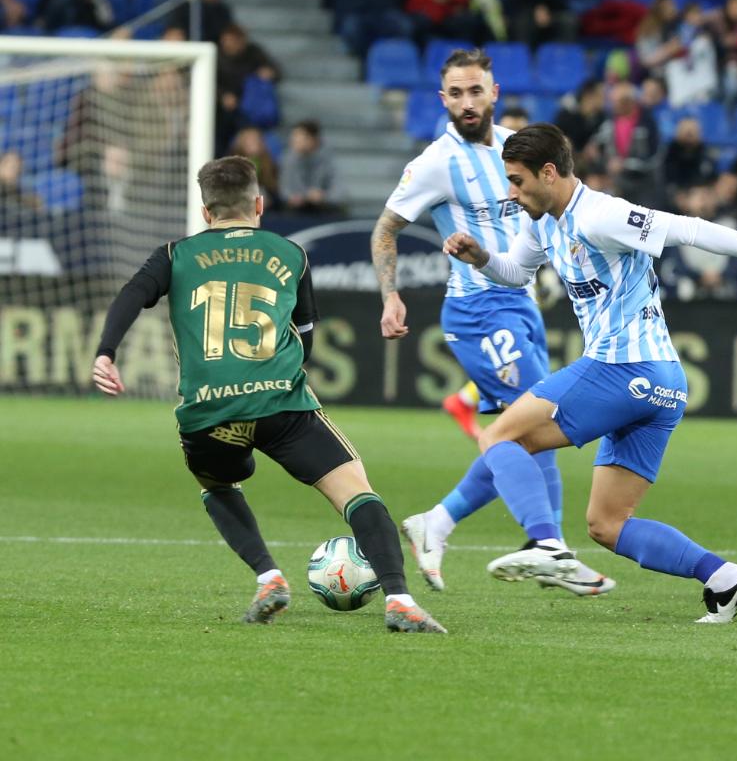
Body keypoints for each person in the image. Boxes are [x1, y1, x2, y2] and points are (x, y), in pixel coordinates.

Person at [440, 125, 737, 622]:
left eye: (517, 180)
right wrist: (481, 259)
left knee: (499, 436)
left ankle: (546, 544)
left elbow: (689, 228)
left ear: (548, 173)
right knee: (607, 524)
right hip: (663, 384)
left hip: (622, 367)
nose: (511, 193)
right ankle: (725, 579)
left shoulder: (600, 215)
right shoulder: (542, 223)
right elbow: (515, 273)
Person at [91, 156, 445, 632]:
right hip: (281, 404)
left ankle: (268, 577)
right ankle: (399, 600)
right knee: (356, 492)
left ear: (205, 212)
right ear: (259, 204)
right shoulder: (290, 254)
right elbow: (306, 333)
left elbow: (132, 294)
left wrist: (106, 352)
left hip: (208, 413)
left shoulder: (174, 255)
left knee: (217, 485)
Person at [373, 50, 613, 597]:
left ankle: (445, 524)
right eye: (456, 94)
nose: (467, 103)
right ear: (443, 100)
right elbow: (384, 229)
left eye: (475, 91)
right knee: (535, 422)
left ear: (494, 92)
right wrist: (390, 296)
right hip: (478, 310)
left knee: (530, 431)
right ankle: (547, 545)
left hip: (519, 304)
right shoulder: (436, 163)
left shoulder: (514, 149)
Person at [280, 120, 342, 214]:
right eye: (293, 137)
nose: (294, 141)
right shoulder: (288, 159)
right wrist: (295, 197)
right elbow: (284, 190)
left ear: (312, 140)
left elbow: (339, 191)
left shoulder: (328, 159)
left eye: (299, 138)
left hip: (323, 207)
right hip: (296, 209)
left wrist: (323, 196)